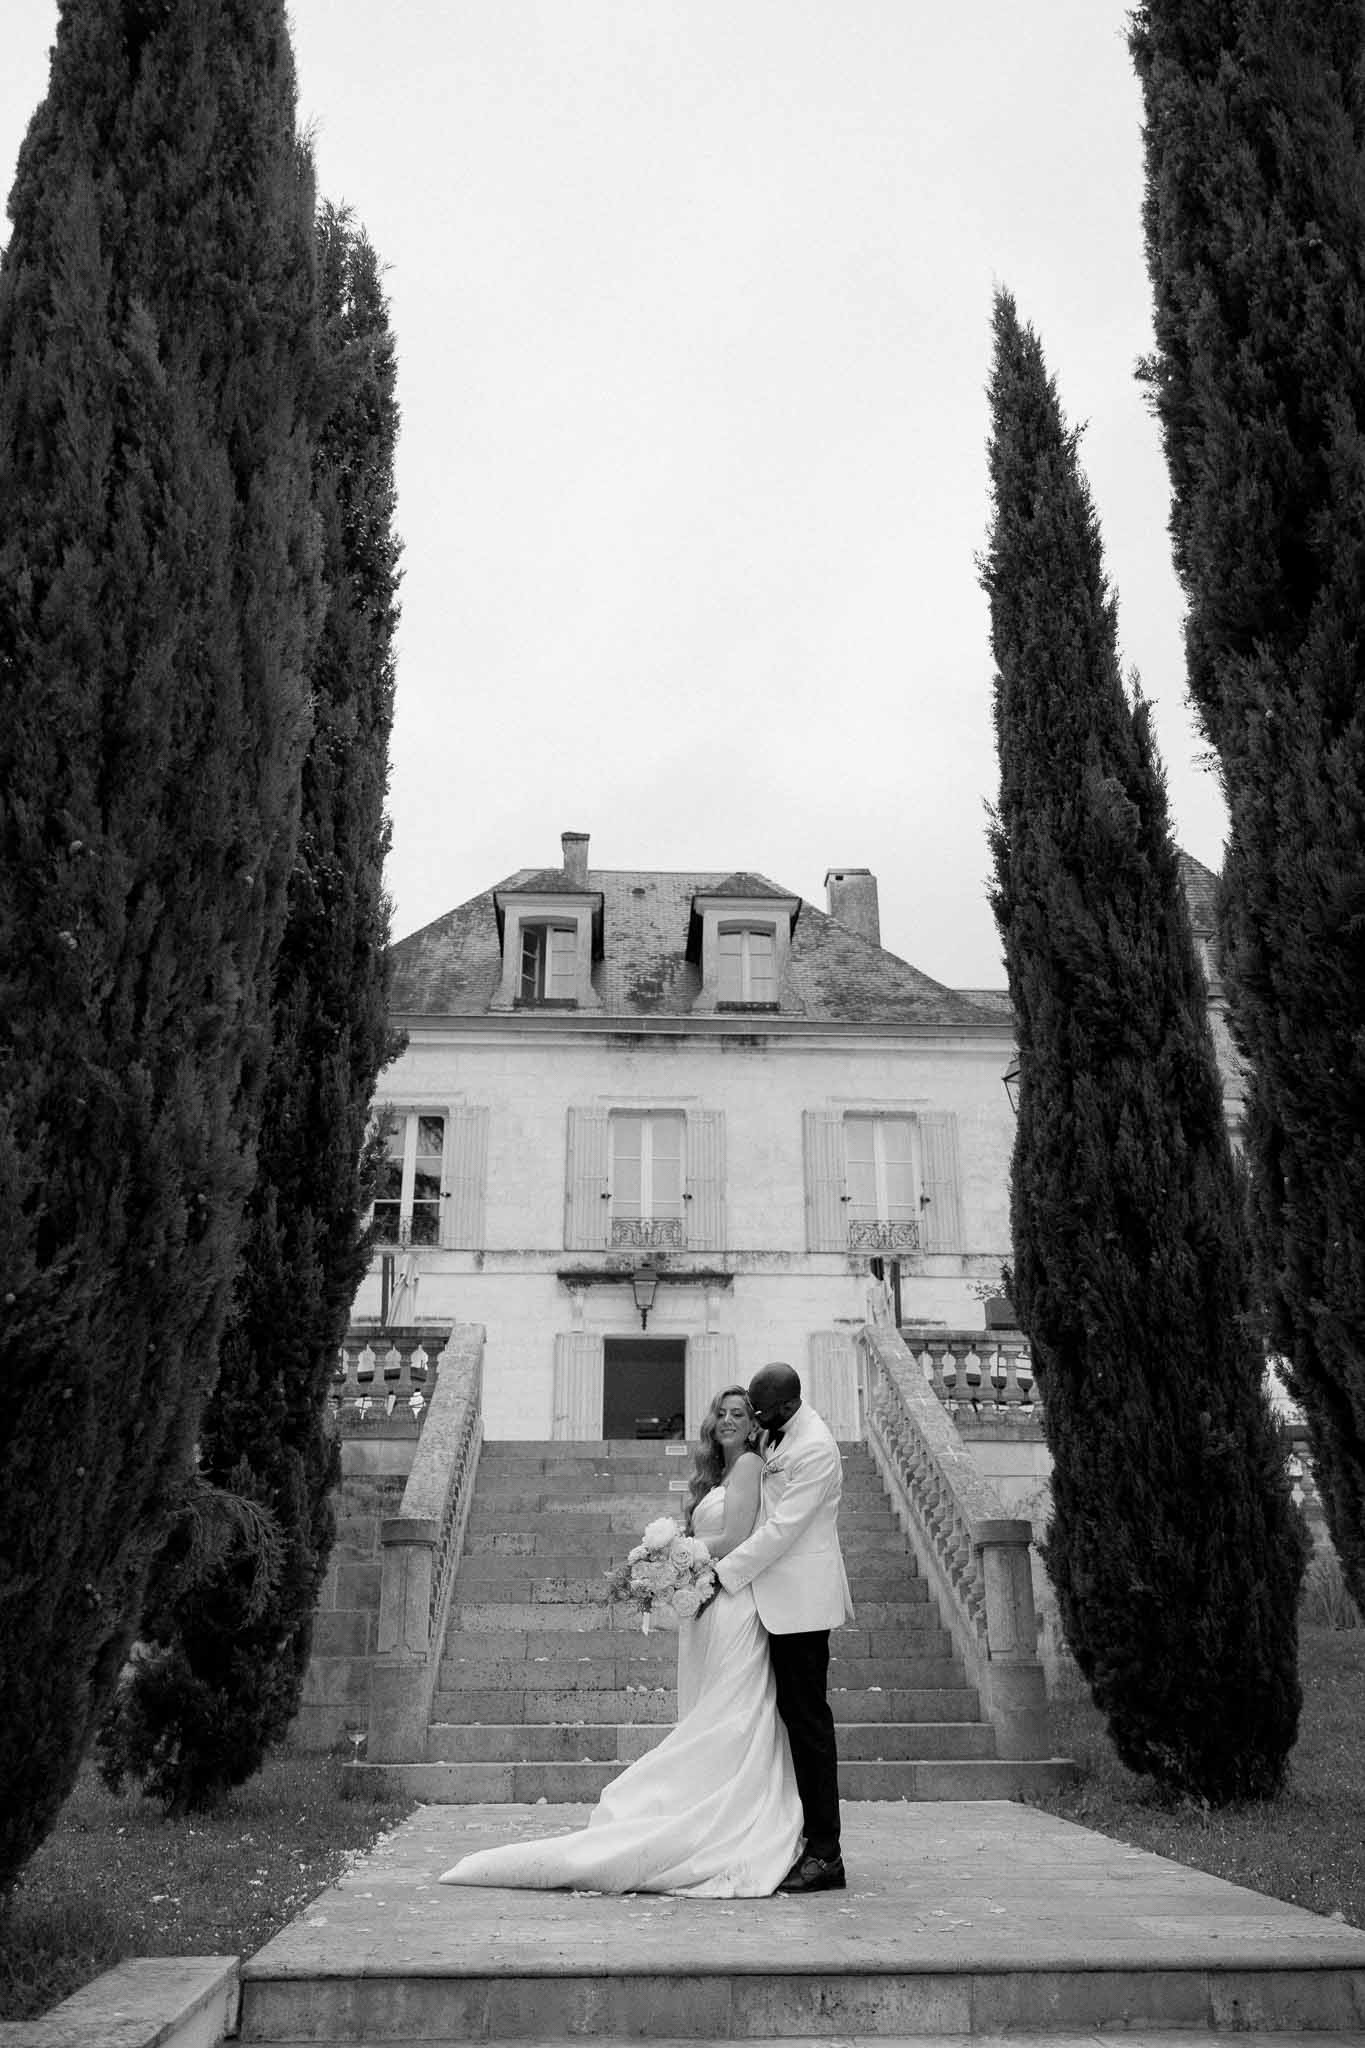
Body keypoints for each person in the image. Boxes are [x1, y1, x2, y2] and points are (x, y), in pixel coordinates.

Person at [438, 1386, 802, 1897]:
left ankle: (730, 1815)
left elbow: (738, 1536)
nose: (727, 1420)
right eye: (720, 1412)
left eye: (738, 1414)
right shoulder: (714, 1475)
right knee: (707, 1708)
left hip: (734, 1602)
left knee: (732, 1709)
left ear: (752, 1424)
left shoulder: (746, 1467)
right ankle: (702, 1800)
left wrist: (675, 1550)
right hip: (705, 1601)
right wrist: (674, 1564)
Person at [713, 1361, 853, 1893]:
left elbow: (784, 1529)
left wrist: (723, 1574)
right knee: (788, 1721)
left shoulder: (814, 1446)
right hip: (772, 1600)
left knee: (809, 1727)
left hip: (801, 1607)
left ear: (789, 1406)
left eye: (763, 1413)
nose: (756, 1422)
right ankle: (790, 1836)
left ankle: (827, 1855)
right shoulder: (778, 1433)